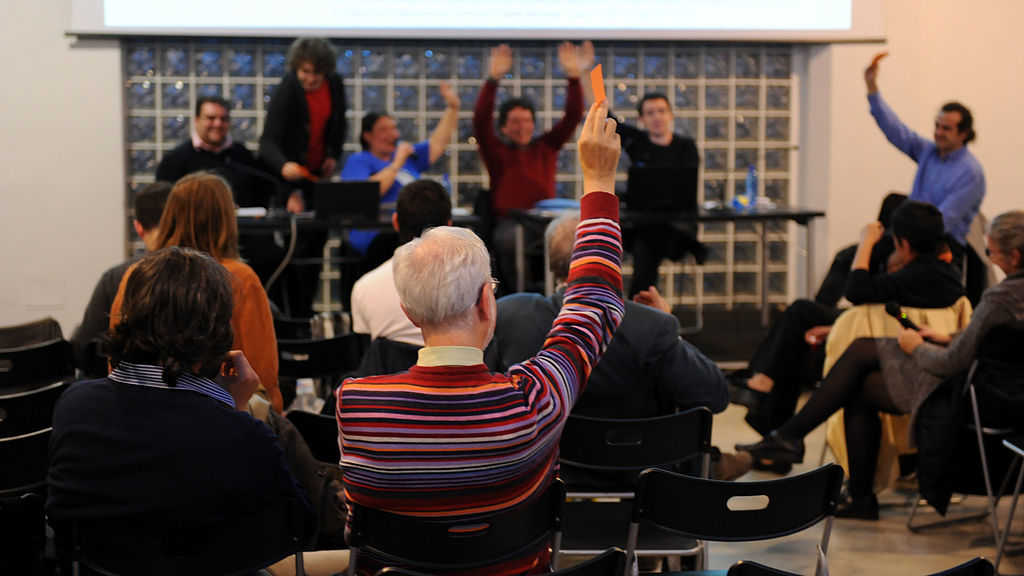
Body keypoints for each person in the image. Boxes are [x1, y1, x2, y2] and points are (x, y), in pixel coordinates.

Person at [336, 99, 624, 575]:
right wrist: (598, 181)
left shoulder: (357, 405)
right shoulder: (533, 402)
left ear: (408, 310)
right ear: (487, 305)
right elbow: (596, 303)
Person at [736, 208, 1014, 522]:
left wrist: (919, 346)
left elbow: (952, 362)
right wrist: (950, 336)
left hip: (970, 393)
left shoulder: (998, 300)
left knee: (853, 369)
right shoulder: (997, 294)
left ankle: (800, 446)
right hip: (994, 389)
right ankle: (796, 443)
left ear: (1014, 256)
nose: (988, 257)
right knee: (858, 369)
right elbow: (982, 346)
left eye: (992, 250)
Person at [48, 247, 313, 573]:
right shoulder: (238, 434)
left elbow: (62, 519)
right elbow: (298, 532)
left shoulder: (74, 407)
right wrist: (239, 407)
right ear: (217, 333)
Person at [486, 213, 750, 481]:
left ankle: (722, 463)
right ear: (615, 259)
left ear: (551, 261)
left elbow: (488, 401)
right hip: (640, 480)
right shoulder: (651, 325)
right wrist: (672, 330)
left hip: (541, 482)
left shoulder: (509, 315)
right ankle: (719, 464)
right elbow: (715, 396)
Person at [737, 194, 909, 441]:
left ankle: (768, 409)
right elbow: (829, 300)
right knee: (798, 340)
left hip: (875, 334)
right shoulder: (853, 256)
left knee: (798, 318)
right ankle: (774, 435)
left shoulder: (915, 272)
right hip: (849, 324)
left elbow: (877, 303)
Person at [109, 173, 282, 412]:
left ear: (170, 214)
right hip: (218, 416)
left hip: (134, 409)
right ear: (226, 219)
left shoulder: (138, 274)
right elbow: (263, 374)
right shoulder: (240, 278)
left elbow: (117, 361)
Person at [474, 42, 590, 289]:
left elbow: (572, 116)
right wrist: (493, 79)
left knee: (574, 239)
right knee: (509, 240)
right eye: (515, 122)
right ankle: (521, 296)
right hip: (511, 223)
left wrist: (573, 77)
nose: (522, 126)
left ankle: (564, 298)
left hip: (546, 221)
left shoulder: (546, 146)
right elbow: (481, 121)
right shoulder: (497, 152)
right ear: (504, 127)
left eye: (527, 121)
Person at [865, 52, 985, 252]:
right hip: (910, 239)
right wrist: (872, 87)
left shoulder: (970, 173)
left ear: (964, 134)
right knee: (852, 258)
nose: (938, 133)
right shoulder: (929, 151)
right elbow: (895, 130)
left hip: (939, 246)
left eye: (946, 128)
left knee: (867, 259)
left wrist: (901, 246)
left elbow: (942, 222)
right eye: (937, 126)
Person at [341, 83, 459, 264]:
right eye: (384, 129)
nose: (392, 134)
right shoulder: (360, 160)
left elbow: (437, 143)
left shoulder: (406, 157)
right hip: (378, 235)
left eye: (394, 128)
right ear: (367, 135)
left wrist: (453, 108)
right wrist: (396, 163)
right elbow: (365, 194)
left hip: (412, 232)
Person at [71, 181, 171, 375]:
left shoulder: (116, 277)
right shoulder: (209, 276)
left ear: (138, 227)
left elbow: (84, 350)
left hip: (123, 391)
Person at [614, 93, 704, 298]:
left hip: (677, 228)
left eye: (661, 111)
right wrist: (584, 75)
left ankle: (641, 304)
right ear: (642, 119)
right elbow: (608, 119)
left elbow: (687, 189)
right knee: (647, 241)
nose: (657, 117)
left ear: (671, 115)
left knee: (649, 244)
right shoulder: (638, 143)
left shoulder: (686, 147)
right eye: (650, 113)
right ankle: (644, 302)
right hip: (643, 226)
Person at [350, 180, 453, 347]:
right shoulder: (471, 283)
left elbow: (365, 359)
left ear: (395, 221)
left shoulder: (364, 287)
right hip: (454, 371)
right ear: (449, 224)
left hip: (389, 371)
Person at [259, 37, 346, 210]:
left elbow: (340, 125)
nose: (311, 79)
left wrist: (332, 155)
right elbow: (267, 141)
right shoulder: (288, 88)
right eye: (305, 72)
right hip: (290, 175)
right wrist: (283, 165)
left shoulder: (334, 84)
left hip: (317, 175)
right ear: (296, 67)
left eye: (317, 73)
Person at [156, 95, 276, 209]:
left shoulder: (243, 156)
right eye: (211, 118)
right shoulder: (174, 160)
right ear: (196, 120)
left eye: (223, 119)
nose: (218, 124)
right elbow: (164, 205)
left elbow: (262, 195)